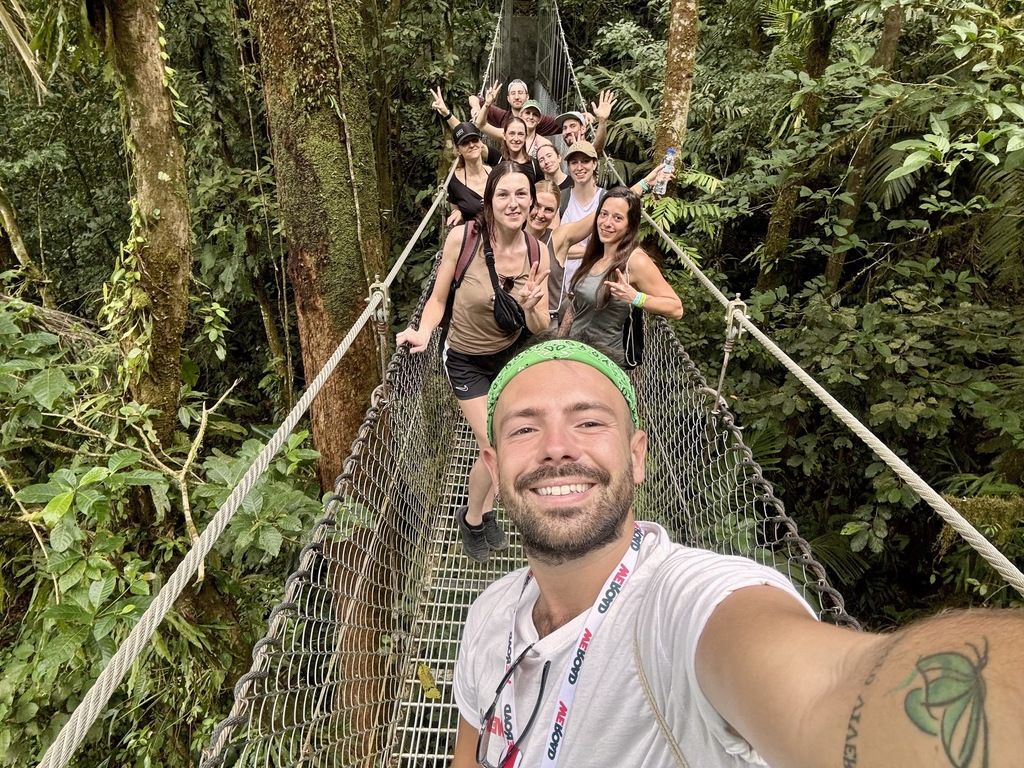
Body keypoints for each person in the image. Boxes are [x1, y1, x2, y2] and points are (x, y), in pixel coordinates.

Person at [451, 338, 1024, 768]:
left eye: (589, 422)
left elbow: (831, 687)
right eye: (524, 430)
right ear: (494, 467)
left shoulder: (684, 607)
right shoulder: (488, 614)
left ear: (639, 457)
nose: (557, 449)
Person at [396, 163, 549, 563]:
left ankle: (478, 515)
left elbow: (540, 324)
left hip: (510, 359)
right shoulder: (463, 239)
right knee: (496, 445)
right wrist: (426, 331)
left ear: (532, 201)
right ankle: (476, 519)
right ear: (489, 200)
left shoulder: (538, 252)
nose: (513, 203)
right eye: (504, 195)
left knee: (502, 445)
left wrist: (532, 304)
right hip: (464, 358)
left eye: (521, 194)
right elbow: (438, 298)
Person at [559, 186, 683, 364]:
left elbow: (676, 308)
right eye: (603, 214)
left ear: (629, 226)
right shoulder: (596, 254)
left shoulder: (635, 261)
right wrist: (559, 343)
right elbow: (575, 307)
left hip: (603, 361)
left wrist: (635, 297)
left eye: (618, 218)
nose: (607, 223)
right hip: (573, 353)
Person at [525, 180, 595, 329]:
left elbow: (603, 211)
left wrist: (643, 185)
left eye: (548, 210)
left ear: (556, 212)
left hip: (546, 324)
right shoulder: (511, 235)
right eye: (536, 206)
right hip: (513, 319)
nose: (540, 214)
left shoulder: (557, 239)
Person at [474, 90, 552, 161]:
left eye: (535, 115)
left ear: (539, 120)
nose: (531, 117)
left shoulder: (544, 143)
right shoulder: (508, 133)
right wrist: (487, 104)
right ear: (521, 115)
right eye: (527, 113)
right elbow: (480, 125)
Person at [471, 79, 561, 136]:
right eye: (513, 93)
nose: (517, 97)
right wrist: (477, 108)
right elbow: (473, 98)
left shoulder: (534, 119)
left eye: (520, 93)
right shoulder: (502, 118)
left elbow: (563, 123)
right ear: (508, 99)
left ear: (527, 96)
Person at [444, 123, 492, 228]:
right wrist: (457, 213)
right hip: (474, 237)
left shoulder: (494, 173)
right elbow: (455, 209)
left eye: (474, 140)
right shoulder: (453, 180)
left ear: (481, 143)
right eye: (465, 143)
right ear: (458, 150)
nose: (471, 145)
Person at [556, 89, 616, 155]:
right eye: (564, 128)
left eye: (573, 126)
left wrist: (602, 120)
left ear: (583, 129)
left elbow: (597, 148)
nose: (568, 131)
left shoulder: (589, 150)